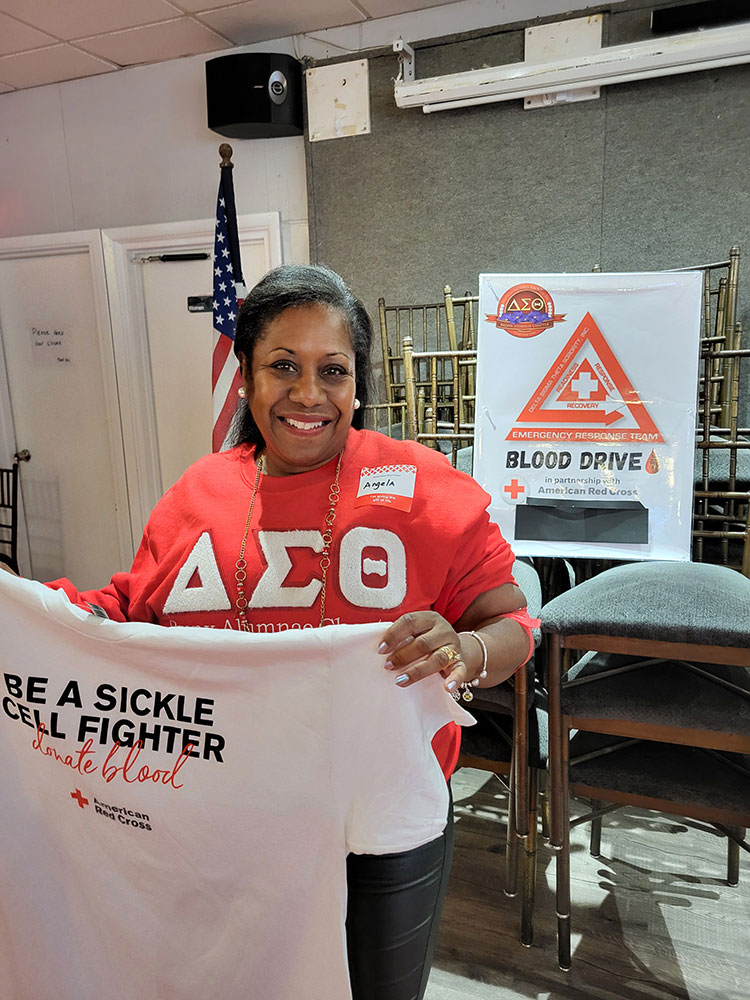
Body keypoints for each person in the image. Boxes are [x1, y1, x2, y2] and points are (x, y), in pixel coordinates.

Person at [48, 264, 536, 1000]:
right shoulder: (198, 493)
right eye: (283, 366)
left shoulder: (422, 485)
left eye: (331, 370)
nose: (308, 394)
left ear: (357, 384)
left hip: (378, 825)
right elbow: (127, 608)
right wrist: (34, 615)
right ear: (245, 377)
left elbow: (513, 622)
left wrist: (464, 648)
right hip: (221, 819)